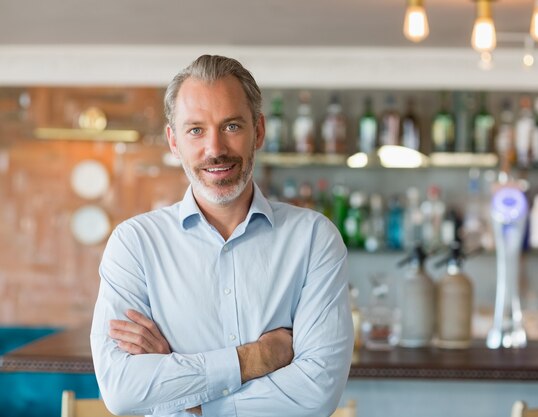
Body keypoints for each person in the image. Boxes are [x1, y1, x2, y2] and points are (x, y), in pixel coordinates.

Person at [90, 54, 353, 417]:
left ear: (258, 132)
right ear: (173, 141)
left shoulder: (313, 239)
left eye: (231, 126)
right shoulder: (135, 244)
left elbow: (317, 392)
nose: (214, 149)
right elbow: (122, 390)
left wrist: (191, 401)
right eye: (195, 129)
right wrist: (256, 357)